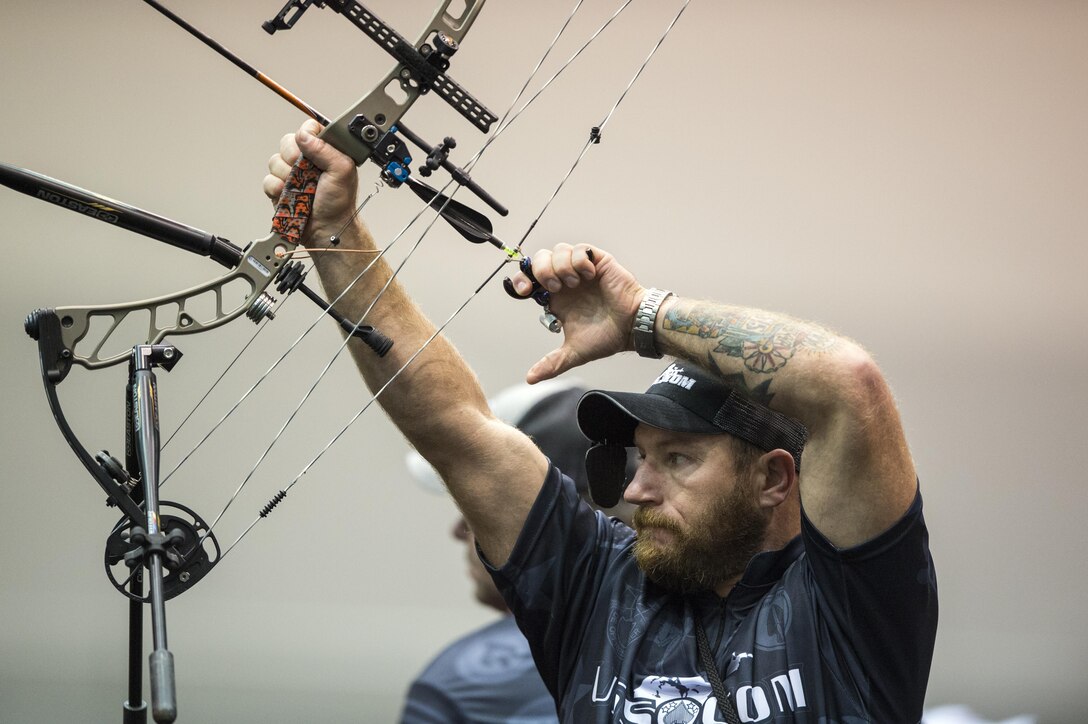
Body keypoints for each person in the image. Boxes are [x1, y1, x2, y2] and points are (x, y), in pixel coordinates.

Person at [265, 120, 938, 723]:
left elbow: (850, 383)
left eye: (677, 458)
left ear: (771, 478)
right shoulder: (597, 587)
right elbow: (455, 427)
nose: (637, 490)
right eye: (643, 457)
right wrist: (335, 231)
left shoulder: (846, 607)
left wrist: (641, 317)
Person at [400, 379, 633, 723]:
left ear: (528, 513)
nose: (456, 530)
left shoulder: (461, 686)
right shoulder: (717, 639)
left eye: (475, 506)